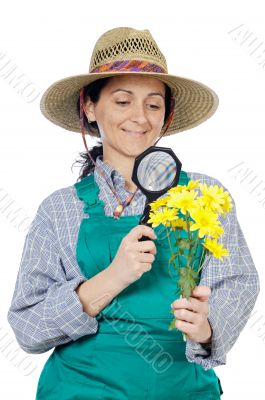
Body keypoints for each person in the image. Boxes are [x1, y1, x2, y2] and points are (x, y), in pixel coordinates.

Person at [7, 27, 260, 400]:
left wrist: (207, 328)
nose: (139, 117)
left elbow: (238, 283)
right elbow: (28, 329)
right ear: (89, 107)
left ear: (166, 115)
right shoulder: (60, 210)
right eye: (123, 101)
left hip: (184, 391)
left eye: (153, 104)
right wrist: (113, 277)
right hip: (80, 391)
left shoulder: (207, 197)